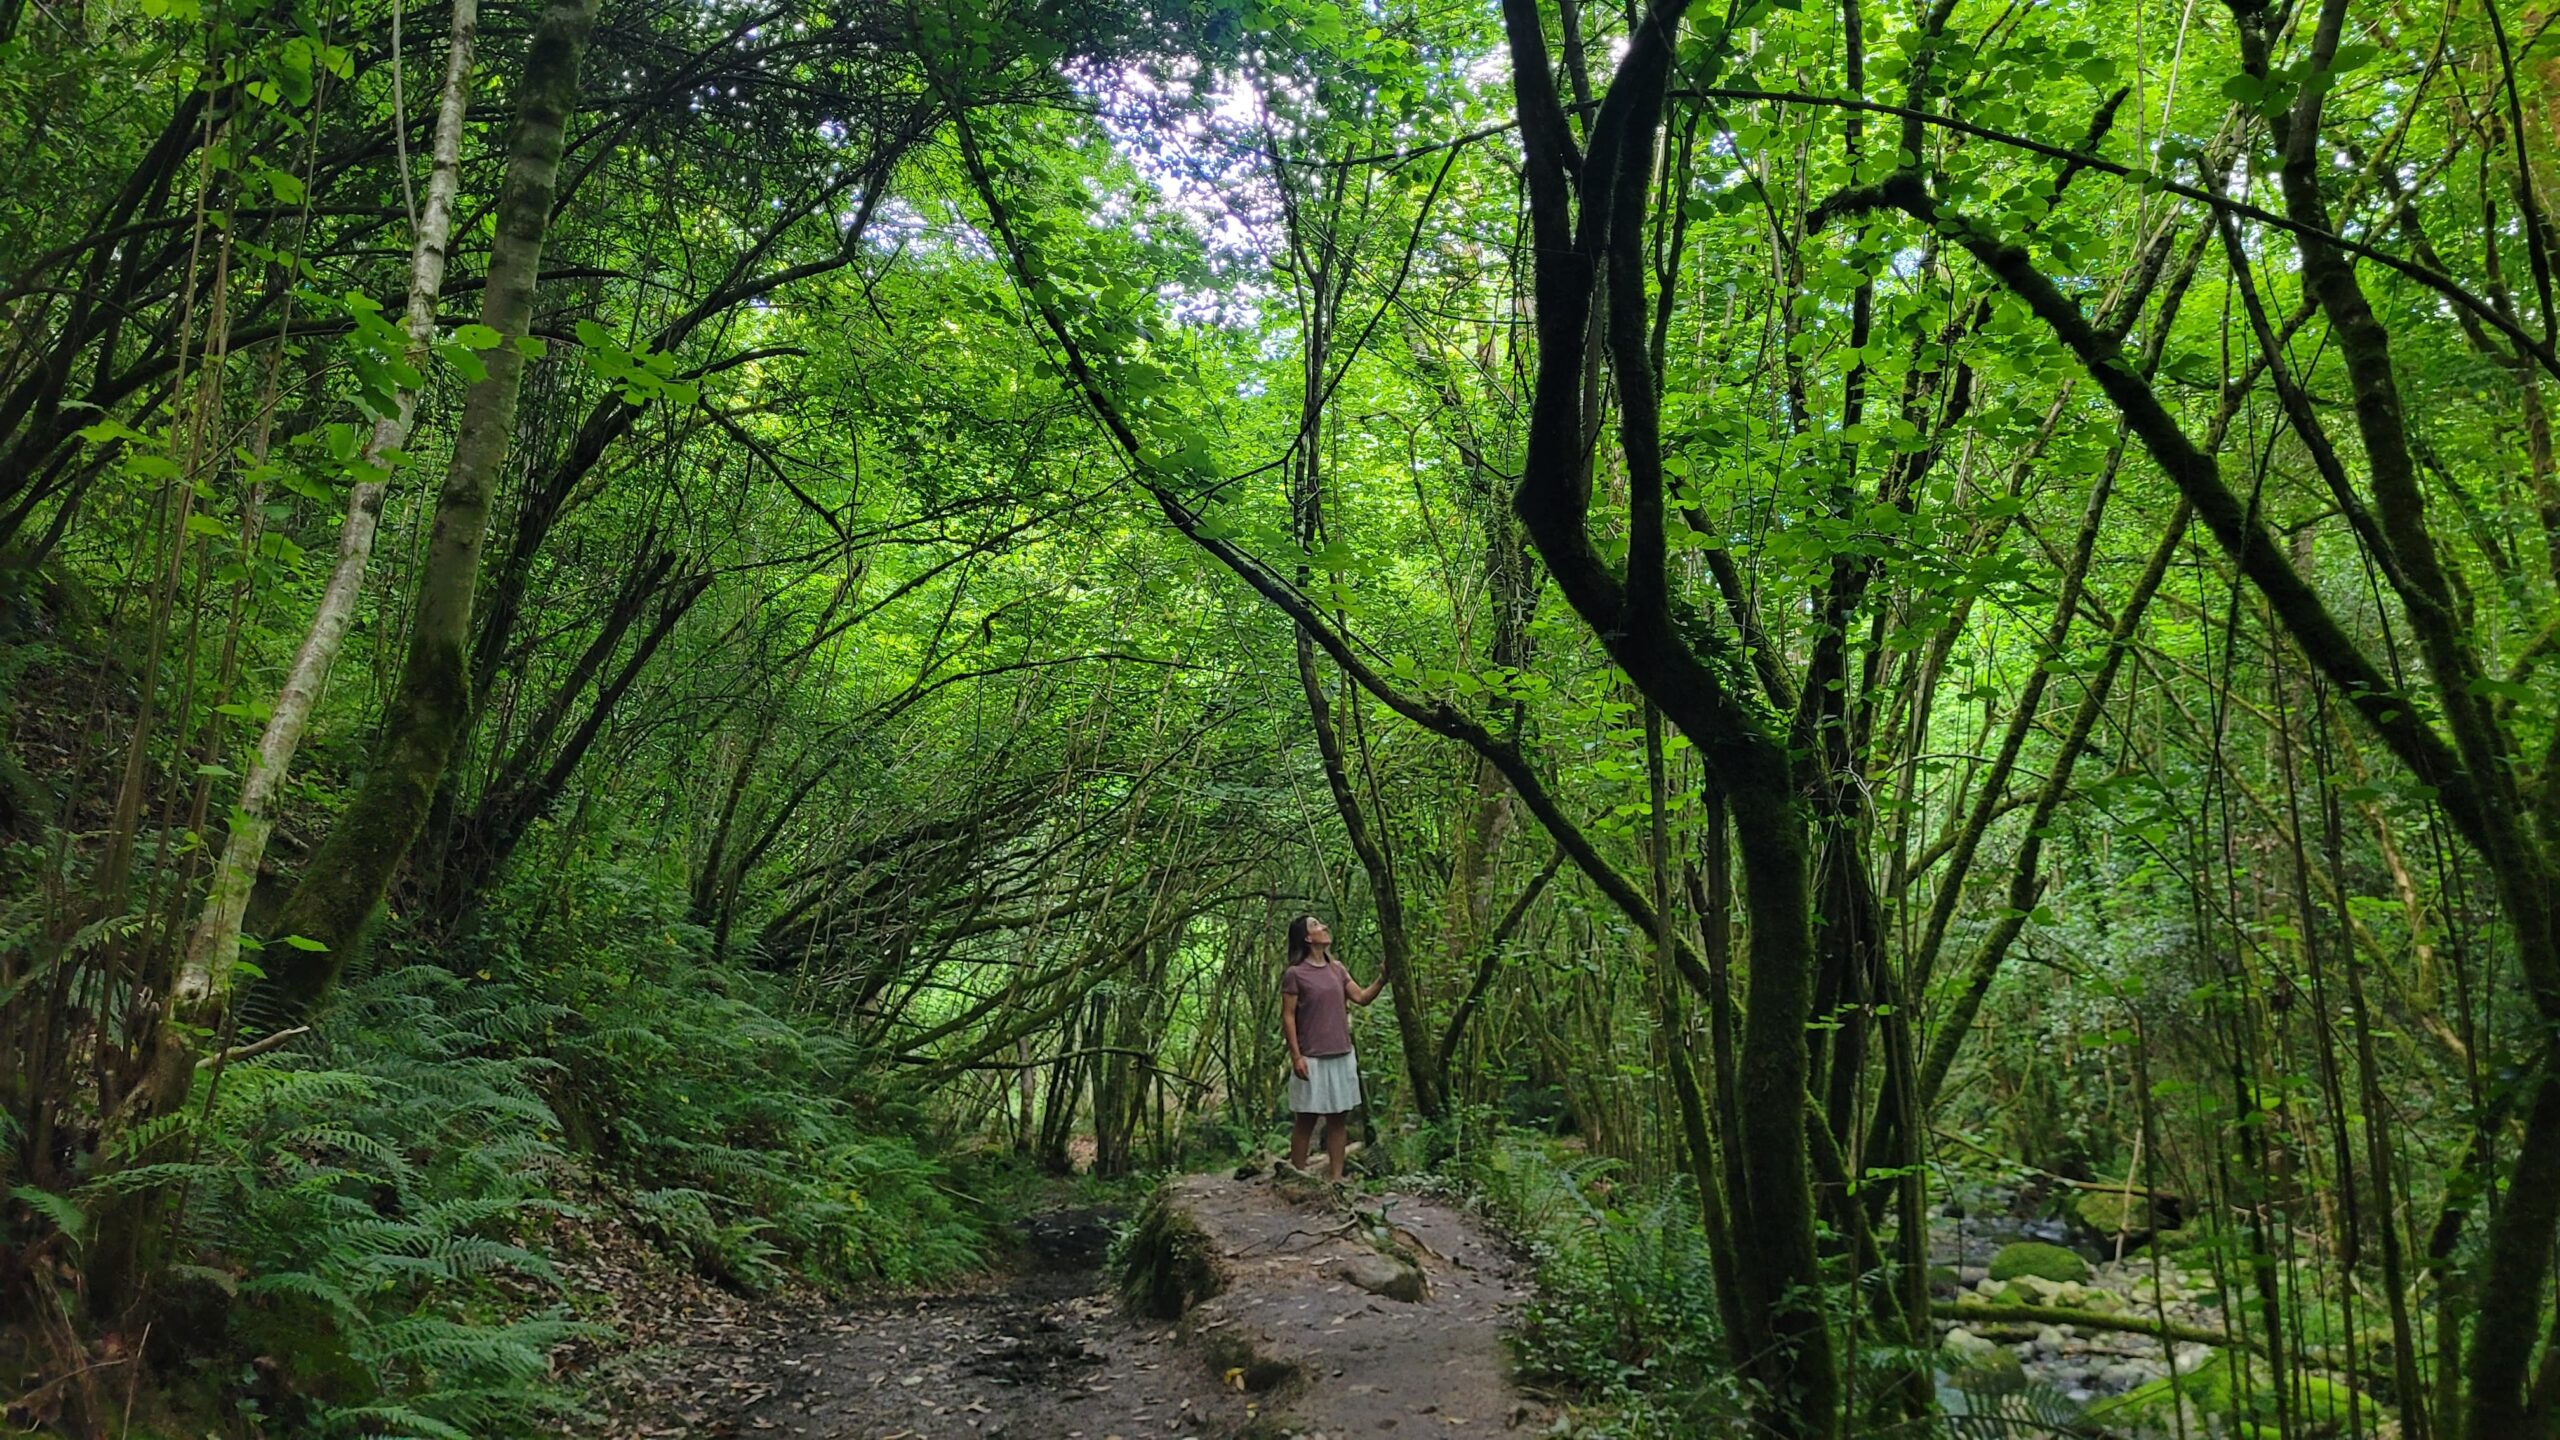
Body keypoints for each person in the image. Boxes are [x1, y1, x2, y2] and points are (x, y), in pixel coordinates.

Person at [1279, 914, 1381, 1179]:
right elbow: (1288, 1016)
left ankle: (1336, 1180)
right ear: (1307, 937)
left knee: (1338, 1120)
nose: (1323, 927)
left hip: (1341, 1054)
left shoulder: (1337, 969)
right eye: (1316, 925)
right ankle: (1298, 1177)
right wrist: (1296, 1057)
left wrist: (1383, 978)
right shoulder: (1295, 974)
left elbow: (1360, 997)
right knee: (1306, 1120)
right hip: (1310, 1057)